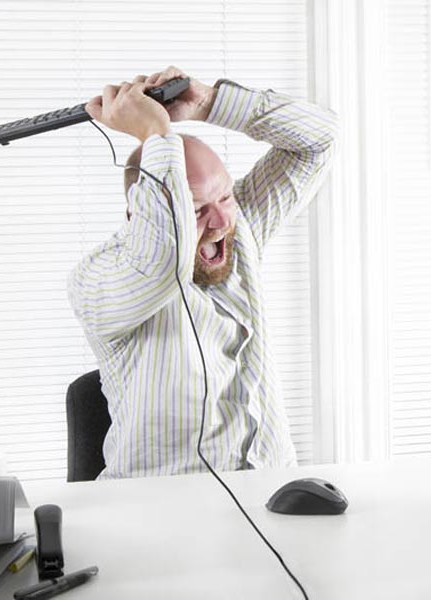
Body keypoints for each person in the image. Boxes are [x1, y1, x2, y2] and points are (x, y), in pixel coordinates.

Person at [68, 66, 339, 479]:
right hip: (158, 510)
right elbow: (164, 259)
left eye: (225, 196)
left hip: (274, 491)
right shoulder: (97, 278)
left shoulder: (238, 227)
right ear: (137, 211)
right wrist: (155, 136)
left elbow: (319, 140)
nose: (219, 222)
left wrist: (207, 103)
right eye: (195, 209)